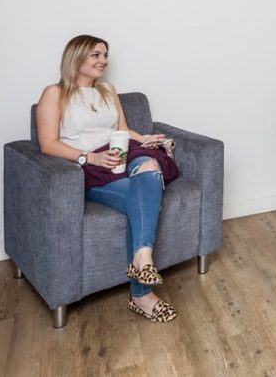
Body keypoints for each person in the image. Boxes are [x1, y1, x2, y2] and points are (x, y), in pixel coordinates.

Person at [36, 34, 179, 323]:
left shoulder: (108, 90)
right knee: (142, 198)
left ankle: (142, 257)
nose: (103, 60)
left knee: (150, 163)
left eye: (105, 55)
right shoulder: (54, 93)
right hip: (91, 165)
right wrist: (89, 158)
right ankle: (141, 294)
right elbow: (47, 144)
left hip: (124, 155)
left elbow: (123, 130)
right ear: (76, 57)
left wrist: (148, 139)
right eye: (96, 55)